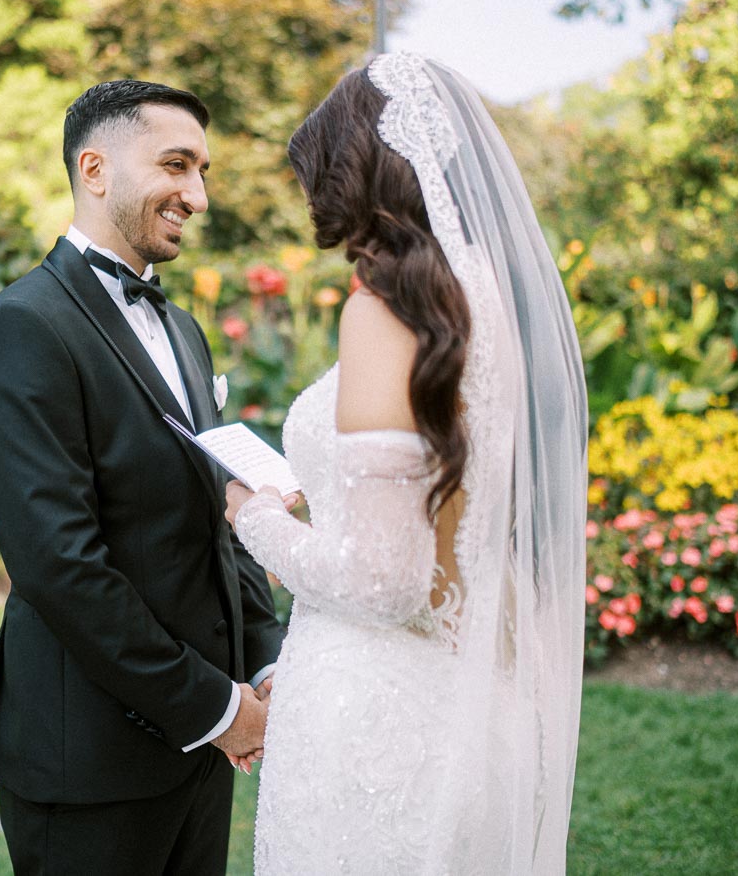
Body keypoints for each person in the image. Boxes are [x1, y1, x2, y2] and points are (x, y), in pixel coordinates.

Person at [225, 51, 588, 873]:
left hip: (374, 723)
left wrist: (256, 517)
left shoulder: (385, 310)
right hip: (471, 695)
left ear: (351, 174)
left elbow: (385, 582)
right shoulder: (487, 303)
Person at [0, 79, 286, 875]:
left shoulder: (185, 329)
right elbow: (57, 565)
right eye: (176, 165)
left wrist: (267, 661)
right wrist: (216, 708)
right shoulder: (24, 327)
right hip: (91, 765)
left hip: (204, 758)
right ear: (95, 169)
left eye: (202, 171)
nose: (197, 196)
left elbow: (217, 512)